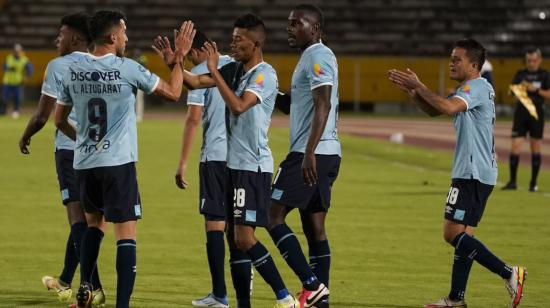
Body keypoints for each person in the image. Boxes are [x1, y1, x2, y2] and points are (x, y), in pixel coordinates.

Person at [54, 10, 196, 308]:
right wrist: (179, 59)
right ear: (112, 37)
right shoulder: (127, 68)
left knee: (93, 225)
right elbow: (172, 92)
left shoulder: (72, 70)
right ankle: (122, 305)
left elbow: (59, 120)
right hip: (118, 164)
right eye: (124, 32)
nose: (127, 37)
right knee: (125, 233)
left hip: (84, 165)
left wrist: (82, 140)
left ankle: (86, 288)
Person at [388, 38, 526, 308]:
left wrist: (420, 86)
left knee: (452, 234)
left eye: (457, 59)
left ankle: (509, 273)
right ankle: (456, 298)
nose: (451, 62)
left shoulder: (476, 87)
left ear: (474, 65)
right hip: (476, 171)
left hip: (472, 173)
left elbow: (448, 107)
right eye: (451, 58)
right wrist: (415, 93)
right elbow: (436, 110)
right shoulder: (468, 88)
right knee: (465, 238)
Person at [180, 13, 298, 308]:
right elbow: (193, 82)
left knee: (245, 239)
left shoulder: (263, 74)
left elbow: (238, 106)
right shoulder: (236, 70)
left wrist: (214, 71)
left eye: (238, 39)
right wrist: (175, 61)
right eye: (232, 38)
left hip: (252, 167)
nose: (233, 43)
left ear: (256, 43)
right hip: (234, 166)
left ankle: (285, 297)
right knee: (234, 240)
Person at [17, 13, 106, 306]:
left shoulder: (58, 66)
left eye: (62, 33)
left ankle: (92, 287)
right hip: (101, 151)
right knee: (87, 220)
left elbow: (43, 115)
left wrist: (26, 135)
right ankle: (66, 281)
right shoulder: (100, 63)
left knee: (76, 218)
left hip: (70, 149)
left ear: (76, 38)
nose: (57, 38)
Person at [154, 30, 234, 307]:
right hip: (241, 159)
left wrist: (182, 164)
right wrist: (175, 64)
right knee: (239, 229)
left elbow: (193, 120)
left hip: (214, 157)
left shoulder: (201, 69)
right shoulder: (235, 65)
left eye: (189, 54)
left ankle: (220, 294)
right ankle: (244, 287)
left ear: (198, 50)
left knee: (214, 225)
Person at [268, 4, 338, 308]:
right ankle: (320, 301)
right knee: (314, 228)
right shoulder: (307, 58)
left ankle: (312, 286)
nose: (290, 28)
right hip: (325, 153)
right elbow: (291, 105)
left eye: (297, 23)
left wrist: (309, 151)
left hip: (311, 153)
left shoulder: (319, 56)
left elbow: (324, 103)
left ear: (316, 28)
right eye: (289, 24)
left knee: (270, 214)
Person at [502, 47, 550, 192]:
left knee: (535, 147)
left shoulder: (544, 75)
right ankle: (512, 182)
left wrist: (535, 90)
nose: (531, 63)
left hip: (536, 114)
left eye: (534, 60)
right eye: (529, 60)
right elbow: (510, 92)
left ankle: (533, 183)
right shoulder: (520, 74)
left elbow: (548, 94)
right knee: (515, 147)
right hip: (521, 114)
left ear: (539, 60)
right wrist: (518, 88)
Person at [1, 43, 33, 118]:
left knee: (17, 98)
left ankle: (16, 111)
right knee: (4, 98)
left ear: (21, 51)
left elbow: (30, 70)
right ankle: (2, 111)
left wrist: (26, 77)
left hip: (18, 82)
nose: (16, 52)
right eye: (15, 51)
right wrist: (9, 68)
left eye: (18, 51)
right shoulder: (9, 58)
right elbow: (4, 67)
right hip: (7, 82)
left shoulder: (24, 60)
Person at [131, 48, 148, 122]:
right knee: (133, 100)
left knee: (139, 99)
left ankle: (139, 116)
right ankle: (133, 115)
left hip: (140, 82)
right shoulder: (132, 59)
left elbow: (144, 67)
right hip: (133, 82)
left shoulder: (142, 58)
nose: (136, 55)